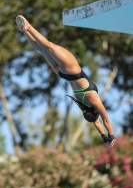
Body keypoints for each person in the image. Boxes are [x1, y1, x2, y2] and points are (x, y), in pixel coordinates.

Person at [15, 15, 116, 147]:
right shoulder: (84, 105)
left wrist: (111, 136)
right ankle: (24, 31)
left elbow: (105, 120)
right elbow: (95, 121)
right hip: (62, 74)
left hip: (72, 71)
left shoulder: (93, 101)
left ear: (95, 111)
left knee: (50, 46)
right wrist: (104, 137)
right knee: (42, 49)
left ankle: (29, 27)